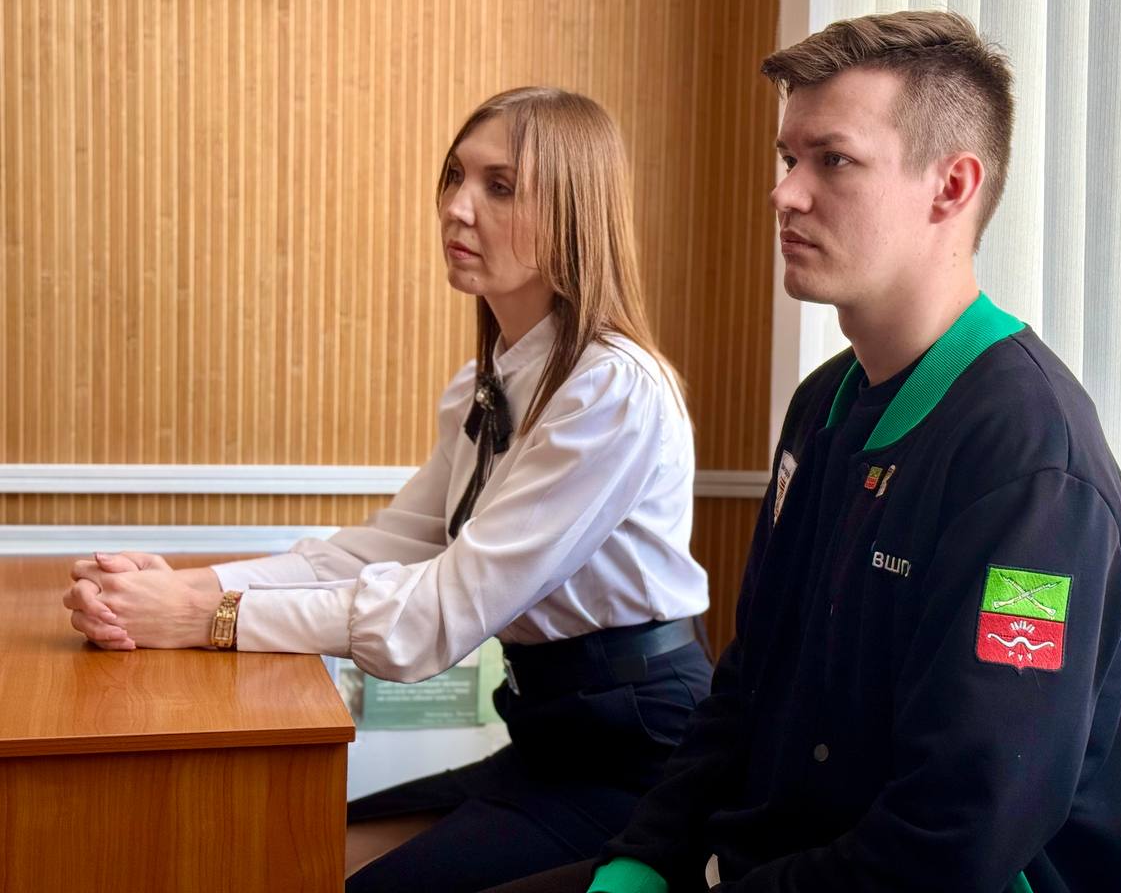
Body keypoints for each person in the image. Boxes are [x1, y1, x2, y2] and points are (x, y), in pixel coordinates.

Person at [484, 10, 1121, 893]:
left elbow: (957, 838)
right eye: (787, 158)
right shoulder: (825, 403)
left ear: (951, 187)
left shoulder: (1031, 462)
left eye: (831, 161)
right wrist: (642, 856)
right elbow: (747, 682)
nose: (785, 194)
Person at [61, 87, 714, 893]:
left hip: (640, 757)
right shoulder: (486, 384)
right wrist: (186, 587)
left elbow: (434, 619)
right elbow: (385, 548)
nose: (457, 208)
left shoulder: (611, 391)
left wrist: (205, 619)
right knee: (301, 849)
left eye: (500, 187)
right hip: (547, 738)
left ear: (574, 217)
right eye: (455, 177)